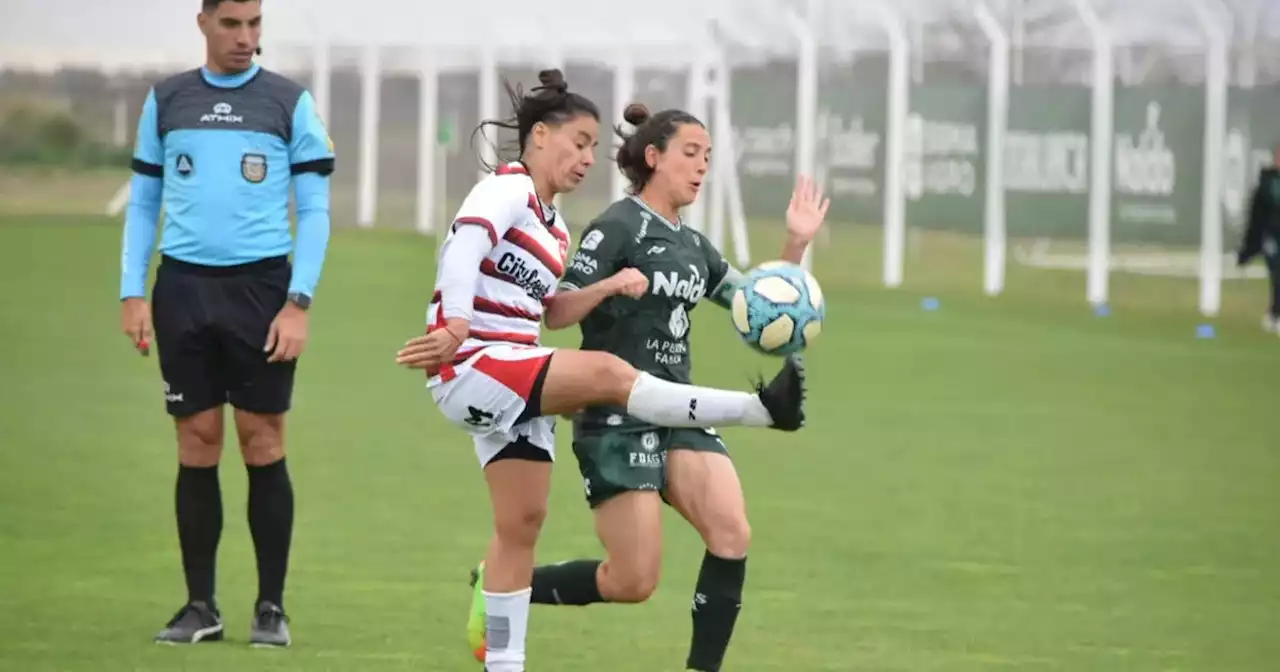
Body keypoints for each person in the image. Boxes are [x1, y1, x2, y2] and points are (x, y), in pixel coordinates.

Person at [394, 74, 806, 672]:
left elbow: (755, 306)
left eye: (593, 147)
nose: (588, 158)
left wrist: (793, 250)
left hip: (564, 383)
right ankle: (758, 410)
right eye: (578, 142)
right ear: (540, 135)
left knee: (528, 525)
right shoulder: (518, 197)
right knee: (613, 380)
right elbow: (469, 249)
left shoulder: (557, 228)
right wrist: (456, 323)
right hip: (509, 373)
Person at [118, 0, 334, 647]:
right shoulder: (167, 101)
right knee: (197, 442)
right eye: (233, 24)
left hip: (262, 290)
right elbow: (144, 204)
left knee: (262, 440)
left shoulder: (288, 103)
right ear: (204, 22)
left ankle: (271, 608)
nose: (246, 37)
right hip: (182, 289)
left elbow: (316, 209)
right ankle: (200, 606)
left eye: (255, 24)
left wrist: (298, 301)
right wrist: (132, 291)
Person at [1238, 144, 1280, 334]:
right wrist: (1248, 250)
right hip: (1272, 237)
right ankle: (1276, 316)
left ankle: (1273, 314)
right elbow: (1256, 217)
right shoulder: (1266, 184)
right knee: (1278, 273)